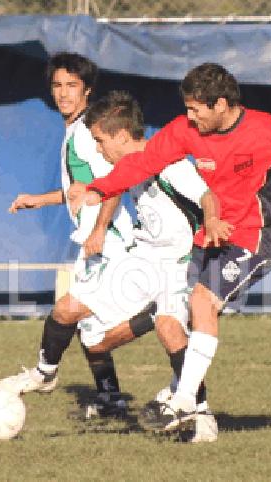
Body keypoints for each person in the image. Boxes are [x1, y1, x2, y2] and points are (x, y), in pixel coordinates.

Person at [73, 62, 271, 432]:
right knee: (169, 321)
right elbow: (142, 163)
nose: (189, 117)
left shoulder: (268, 131)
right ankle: (195, 410)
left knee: (202, 302)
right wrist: (99, 189)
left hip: (256, 237)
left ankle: (182, 402)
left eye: (196, 109)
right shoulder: (186, 130)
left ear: (221, 105)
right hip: (210, 235)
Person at [67, 89, 226, 442]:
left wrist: (211, 224)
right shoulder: (130, 168)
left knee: (170, 328)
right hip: (150, 262)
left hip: (186, 264)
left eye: (99, 141)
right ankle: (178, 398)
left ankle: (200, 414)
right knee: (92, 332)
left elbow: (206, 196)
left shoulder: (169, 163)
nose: (97, 149)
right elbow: (110, 190)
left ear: (121, 136)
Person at [2, 52, 149, 418]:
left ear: (88, 91)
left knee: (66, 313)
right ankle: (111, 399)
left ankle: (45, 373)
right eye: (57, 85)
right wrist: (41, 199)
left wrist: (99, 229)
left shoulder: (87, 132)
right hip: (95, 240)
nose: (63, 93)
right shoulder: (74, 129)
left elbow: (115, 183)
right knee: (89, 327)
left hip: (110, 240)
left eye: (72, 86)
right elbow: (83, 188)